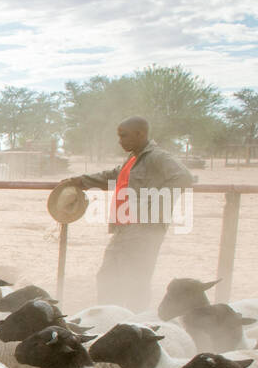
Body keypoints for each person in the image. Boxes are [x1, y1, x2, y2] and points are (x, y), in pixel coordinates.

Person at [61, 116, 194, 310]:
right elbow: (113, 176)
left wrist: (151, 206)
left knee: (135, 280)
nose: (120, 141)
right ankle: (110, 319)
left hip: (143, 230)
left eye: (124, 136)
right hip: (125, 228)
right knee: (108, 277)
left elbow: (183, 178)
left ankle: (133, 324)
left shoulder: (157, 157)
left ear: (140, 134)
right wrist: (80, 181)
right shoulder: (133, 158)